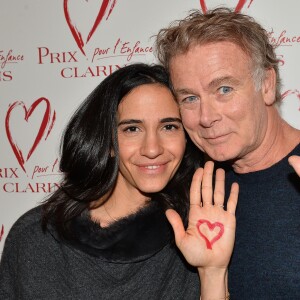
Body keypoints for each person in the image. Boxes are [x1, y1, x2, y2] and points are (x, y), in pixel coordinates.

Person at [0, 63, 239, 299]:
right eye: (132, 129)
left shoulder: (195, 233)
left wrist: (213, 273)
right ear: (108, 142)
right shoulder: (35, 238)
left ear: (186, 138)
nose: (153, 149)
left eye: (169, 126)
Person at [155, 7, 300, 299]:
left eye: (223, 89)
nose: (206, 117)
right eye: (190, 98)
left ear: (267, 85)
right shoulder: (184, 190)